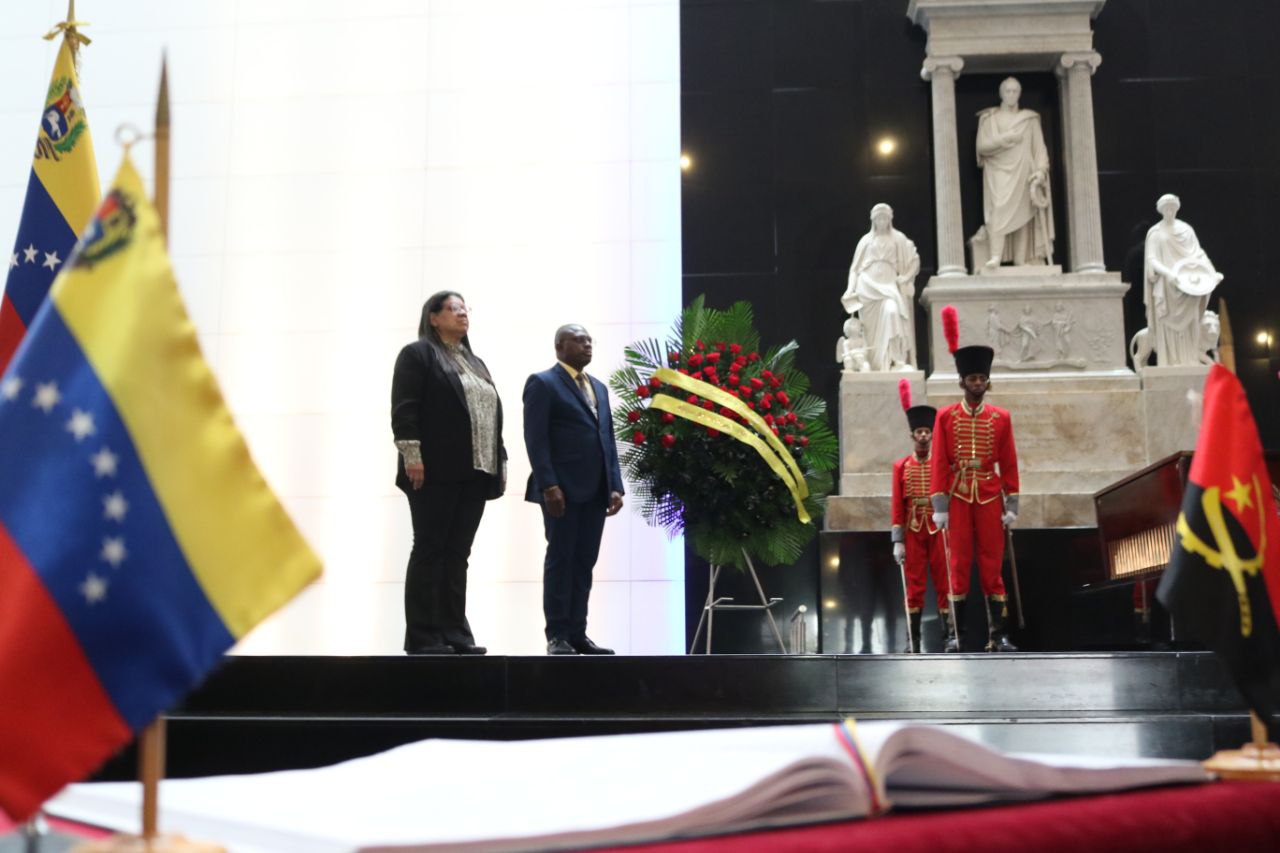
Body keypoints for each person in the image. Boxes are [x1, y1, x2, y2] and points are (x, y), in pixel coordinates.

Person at [391, 291, 506, 656]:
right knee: (430, 549)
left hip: (475, 470)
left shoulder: (475, 362)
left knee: (458, 553)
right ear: (434, 317)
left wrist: (499, 460)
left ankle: (455, 632)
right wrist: (412, 454)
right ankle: (423, 637)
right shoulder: (418, 354)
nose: (462, 314)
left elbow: (490, 416)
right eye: (454, 309)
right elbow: (405, 407)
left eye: (464, 309)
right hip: (433, 469)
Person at [523, 324, 625, 655]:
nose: (587, 345)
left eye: (589, 340)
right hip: (561, 491)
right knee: (561, 560)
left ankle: (578, 633)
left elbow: (606, 439)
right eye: (578, 340)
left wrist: (615, 486)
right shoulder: (543, 382)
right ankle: (557, 636)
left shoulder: (599, 387)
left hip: (595, 491)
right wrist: (549, 484)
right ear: (559, 346)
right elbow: (536, 440)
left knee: (584, 562)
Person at [930, 327, 1020, 653]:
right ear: (962, 382)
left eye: (982, 378)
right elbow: (939, 461)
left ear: (988, 381)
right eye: (972, 379)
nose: (978, 384)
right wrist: (939, 505)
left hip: (989, 494)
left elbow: (1008, 462)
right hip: (957, 497)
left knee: (992, 566)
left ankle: (998, 635)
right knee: (958, 565)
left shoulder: (1001, 418)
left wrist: (1012, 504)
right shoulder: (945, 417)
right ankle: (956, 635)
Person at [890, 386, 951, 654]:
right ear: (912, 435)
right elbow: (897, 505)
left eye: (928, 432)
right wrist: (898, 541)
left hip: (939, 529)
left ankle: (949, 635)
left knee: (944, 582)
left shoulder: (942, 464)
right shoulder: (901, 467)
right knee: (914, 586)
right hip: (914, 528)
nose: (924, 436)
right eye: (919, 432)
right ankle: (912, 639)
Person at [976, 77, 1054, 268]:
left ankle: (1021, 259)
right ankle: (995, 256)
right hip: (998, 172)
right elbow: (982, 147)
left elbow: (1039, 149)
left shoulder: (1029, 119)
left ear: (1019, 93)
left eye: (1015, 91)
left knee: (1024, 214)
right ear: (1001, 93)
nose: (1011, 95)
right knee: (999, 211)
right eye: (1008, 91)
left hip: (1024, 171)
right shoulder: (989, 118)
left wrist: (1042, 171)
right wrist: (1006, 138)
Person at [1143, 193, 1221, 366]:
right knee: (1167, 323)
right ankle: (1169, 361)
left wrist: (1212, 272)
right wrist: (1169, 274)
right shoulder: (1155, 232)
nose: (1169, 211)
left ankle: (1190, 359)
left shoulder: (1186, 230)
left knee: (1191, 323)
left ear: (1177, 208)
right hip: (1167, 285)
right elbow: (1152, 260)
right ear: (1161, 210)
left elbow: (1199, 254)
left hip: (1188, 286)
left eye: (1172, 208)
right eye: (1166, 208)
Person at [842, 203, 920, 371]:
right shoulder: (866, 240)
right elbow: (855, 269)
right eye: (878, 218)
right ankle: (870, 363)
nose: (882, 221)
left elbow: (913, 258)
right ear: (873, 220)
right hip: (867, 287)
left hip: (889, 286)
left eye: (885, 217)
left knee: (892, 312)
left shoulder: (898, 238)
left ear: (889, 219)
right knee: (868, 330)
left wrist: (905, 277)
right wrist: (850, 289)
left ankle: (895, 359)